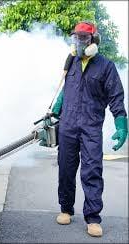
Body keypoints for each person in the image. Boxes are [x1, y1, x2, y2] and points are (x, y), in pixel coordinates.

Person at [52, 21, 128, 237]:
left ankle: (93, 218)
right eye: (76, 38)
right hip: (67, 125)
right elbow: (65, 91)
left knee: (92, 171)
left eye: (83, 38)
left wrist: (122, 124)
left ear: (93, 41)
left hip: (91, 128)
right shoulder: (71, 62)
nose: (78, 42)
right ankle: (66, 209)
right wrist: (55, 111)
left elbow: (116, 98)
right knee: (65, 168)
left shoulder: (106, 66)